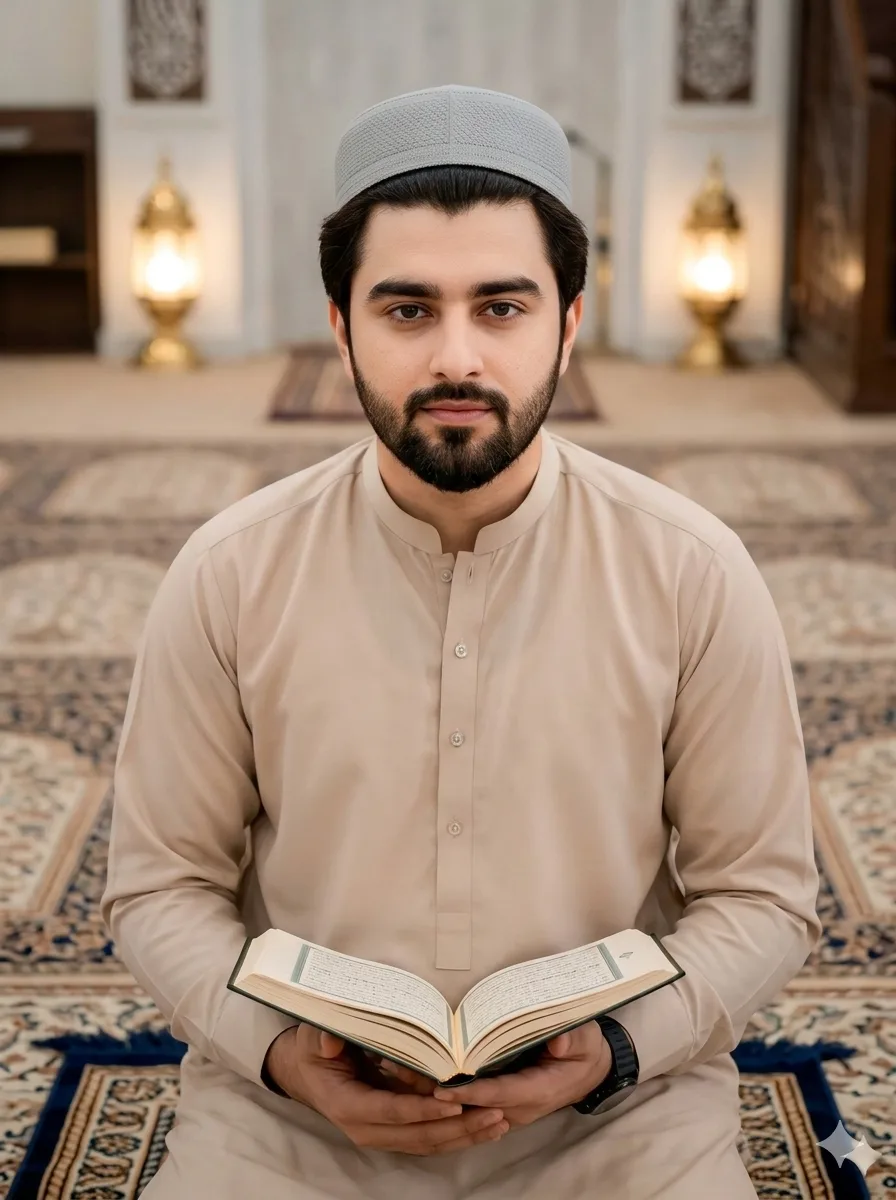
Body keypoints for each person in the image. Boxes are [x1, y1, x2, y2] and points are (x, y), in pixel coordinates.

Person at [101, 85, 821, 1199]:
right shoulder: (231, 570)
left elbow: (762, 895)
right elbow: (159, 886)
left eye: (499, 307)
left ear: (568, 322)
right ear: (339, 325)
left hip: (618, 1123)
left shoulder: (688, 567)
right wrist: (283, 1053)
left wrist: (623, 1045)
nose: (455, 360)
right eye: (405, 311)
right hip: (291, 1124)